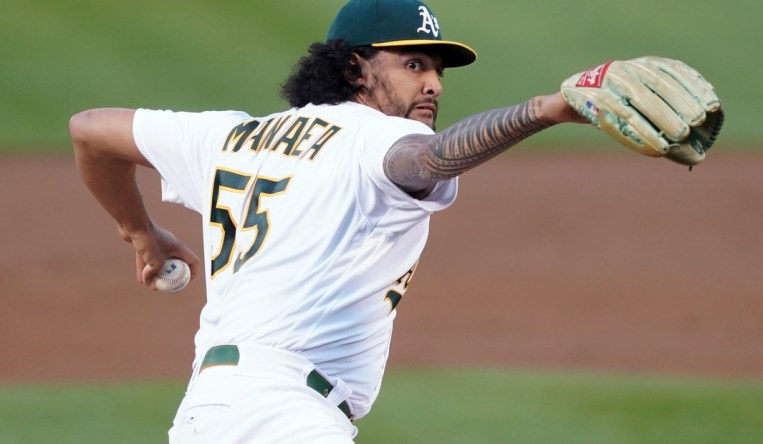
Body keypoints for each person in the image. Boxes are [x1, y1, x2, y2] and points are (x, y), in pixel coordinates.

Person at [70, 0, 586, 442]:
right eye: (413, 65)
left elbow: (90, 130)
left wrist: (140, 232)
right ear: (353, 70)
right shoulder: (375, 135)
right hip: (285, 414)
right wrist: (544, 110)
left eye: (437, 71)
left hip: (205, 413)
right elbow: (430, 160)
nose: (433, 85)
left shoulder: (230, 137)